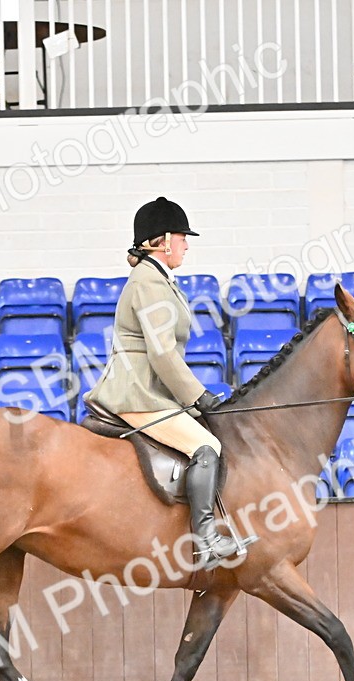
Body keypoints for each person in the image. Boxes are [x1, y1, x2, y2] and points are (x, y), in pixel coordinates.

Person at [84, 197, 240, 570]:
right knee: (206, 444)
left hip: (151, 388)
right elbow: (163, 354)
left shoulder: (157, 278)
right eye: (182, 237)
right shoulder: (149, 281)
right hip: (137, 391)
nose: (187, 244)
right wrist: (199, 396)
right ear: (163, 240)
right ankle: (205, 540)